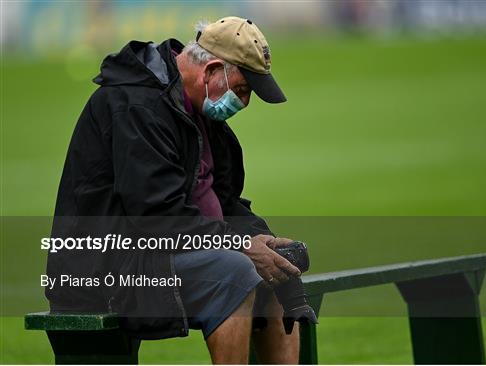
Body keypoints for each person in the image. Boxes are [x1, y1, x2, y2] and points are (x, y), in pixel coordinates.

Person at [46, 16, 302, 364]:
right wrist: (240, 245)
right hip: (102, 269)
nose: (244, 102)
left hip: (154, 255)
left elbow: (223, 203)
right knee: (236, 273)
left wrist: (263, 239)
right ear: (211, 69)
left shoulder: (204, 116)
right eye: (242, 89)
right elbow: (156, 215)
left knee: (277, 270)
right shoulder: (137, 105)